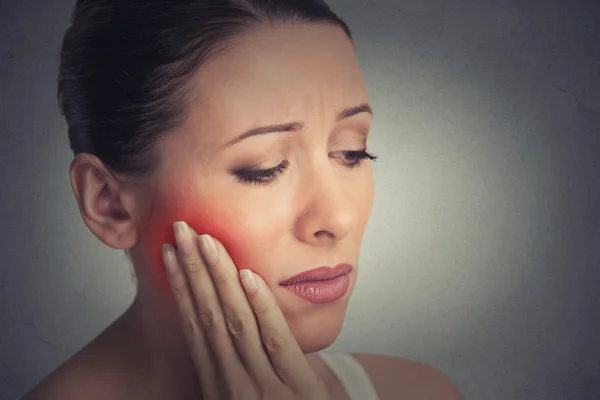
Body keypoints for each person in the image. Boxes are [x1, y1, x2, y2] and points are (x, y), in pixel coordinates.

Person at [23, 0, 463, 399]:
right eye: (264, 168)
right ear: (109, 203)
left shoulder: (417, 391)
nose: (338, 217)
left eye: (351, 152)